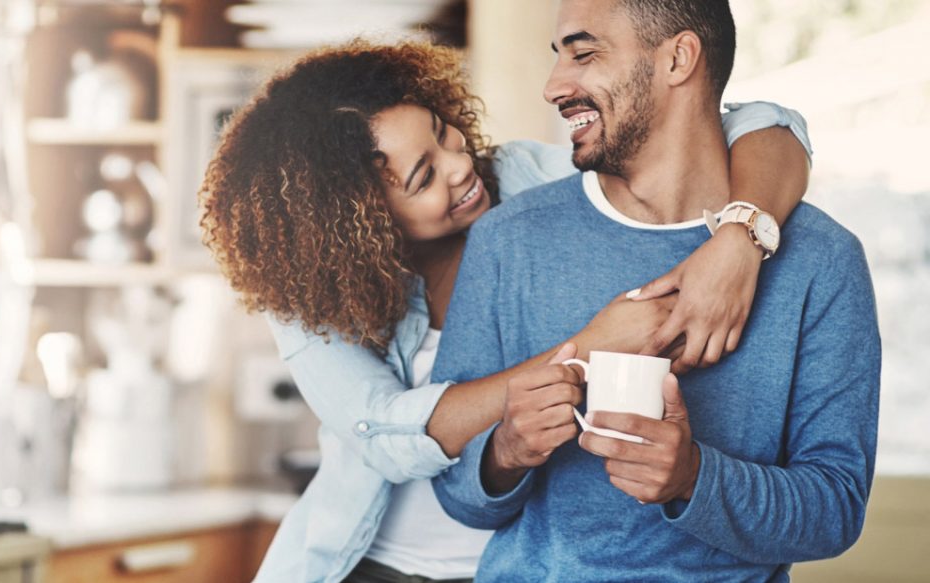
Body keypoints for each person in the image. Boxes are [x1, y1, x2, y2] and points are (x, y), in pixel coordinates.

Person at [199, 38, 812, 583]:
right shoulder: (312, 293)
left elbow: (765, 123)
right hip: (372, 564)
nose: (461, 166)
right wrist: (586, 347)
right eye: (423, 177)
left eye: (442, 132)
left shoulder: (528, 179)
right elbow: (381, 432)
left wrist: (741, 237)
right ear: (360, 223)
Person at [430, 1, 881, 581]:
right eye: (557, 57)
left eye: (584, 53)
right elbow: (455, 495)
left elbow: (835, 512)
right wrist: (506, 452)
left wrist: (693, 477)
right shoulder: (508, 240)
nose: (553, 87)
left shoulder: (822, 260)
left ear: (678, 58)